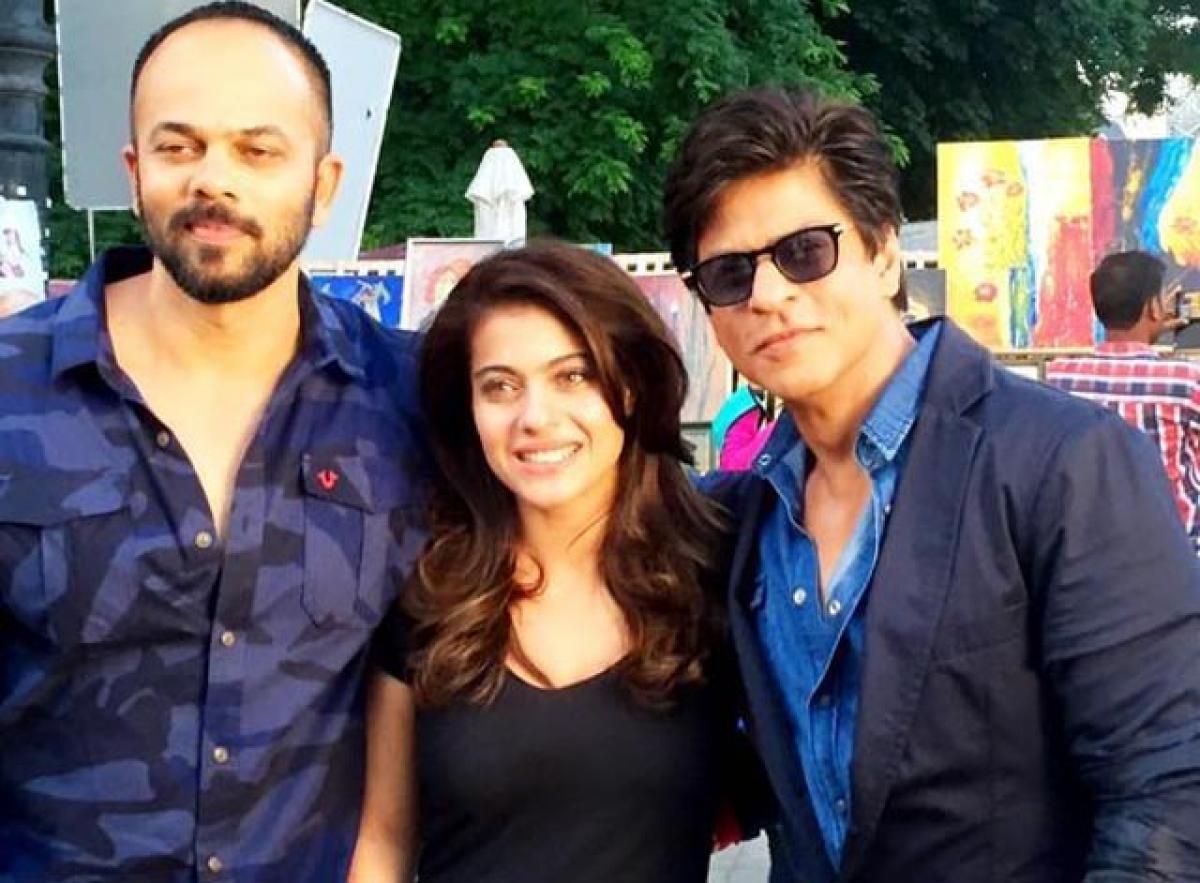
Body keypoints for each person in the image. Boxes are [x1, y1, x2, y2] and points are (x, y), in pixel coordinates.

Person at [663, 86, 1200, 882]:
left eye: (805, 251)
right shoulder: (743, 517)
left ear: (884, 251)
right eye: (730, 273)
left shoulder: (1061, 463)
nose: (769, 295)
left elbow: (1167, 787)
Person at [0, 3, 426, 879]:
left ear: (325, 182)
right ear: (134, 170)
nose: (213, 180)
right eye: (179, 146)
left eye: (258, 150)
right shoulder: (11, 390)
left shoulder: (410, 396)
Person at [350, 241, 756, 883]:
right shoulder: (428, 588)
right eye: (500, 387)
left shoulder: (717, 569)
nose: (534, 418)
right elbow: (383, 841)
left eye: (574, 376)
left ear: (630, 385)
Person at [1045, 250, 1200, 553]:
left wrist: (1150, 327)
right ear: (1154, 307)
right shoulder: (1186, 380)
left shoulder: (1057, 377)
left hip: (1087, 555)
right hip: (1174, 555)